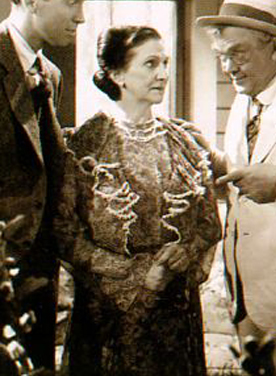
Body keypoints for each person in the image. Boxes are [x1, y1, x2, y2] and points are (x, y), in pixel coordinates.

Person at [53, 25, 222, 376]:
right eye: (150, 64)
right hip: (107, 314)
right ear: (117, 74)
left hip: (173, 314)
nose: (163, 74)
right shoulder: (89, 142)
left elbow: (208, 224)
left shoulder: (183, 142)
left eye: (165, 63)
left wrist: (184, 251)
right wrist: (137, 274)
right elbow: (64, 232)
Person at [0, 0, 93, 371]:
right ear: (32, 0)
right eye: (72, 1)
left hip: (38, 278)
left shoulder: (49, 74)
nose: (81, 16)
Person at [197, 0, 276, 375]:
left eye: (238, 53)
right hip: (248, 298)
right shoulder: (246, 98)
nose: (228, 67)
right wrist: (217, 162)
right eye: (222, 56)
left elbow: (273, 179)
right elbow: (248, 168)